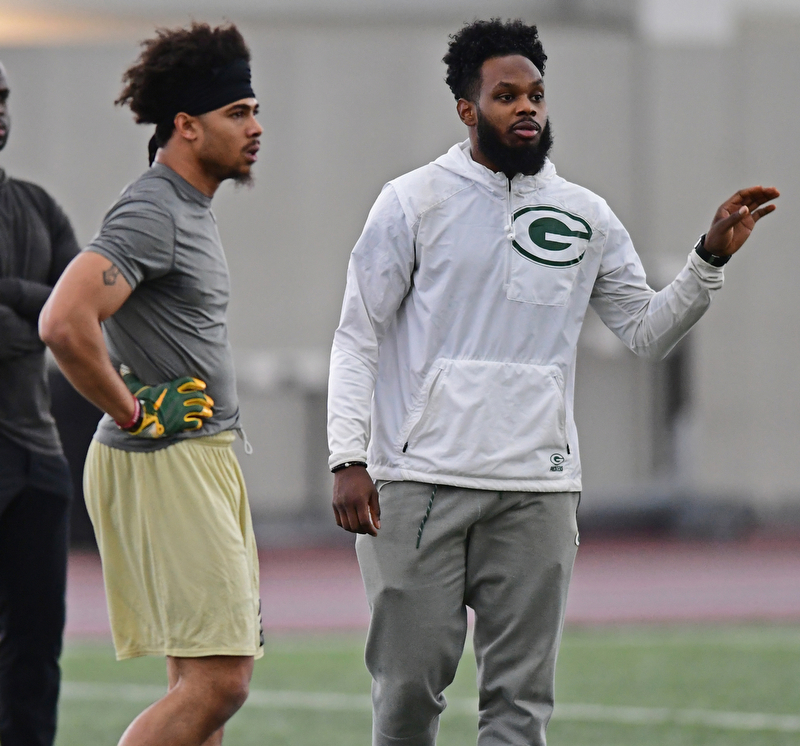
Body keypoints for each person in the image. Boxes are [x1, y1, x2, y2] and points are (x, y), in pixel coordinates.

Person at [327, 18, 779, 746]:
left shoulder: (585, 215)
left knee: (520, 705)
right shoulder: (412, 202)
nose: (527, 108)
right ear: (467, 109)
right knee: (408, 692)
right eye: (506, 95)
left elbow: (645, 330)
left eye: (536, 93)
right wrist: (348, 457)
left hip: (537, 488)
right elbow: (357, 336)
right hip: (416, 481)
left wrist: (707, 261)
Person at [39, 23, 264, 746]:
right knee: (219, 682)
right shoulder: (153, 209)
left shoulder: (188, 208)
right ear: (187, 127)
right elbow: (64, 323)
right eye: (239, 113)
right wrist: (136, 413)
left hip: (199, 456)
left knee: (199, 683)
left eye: (255, 110)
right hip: (167, 460)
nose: (256, 127)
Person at [0, 60, 80, 746]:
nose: (0, 110)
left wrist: (16, 296)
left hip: (39, 457)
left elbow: (79, 314)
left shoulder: (37, 205)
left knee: (37, 647)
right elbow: (49, 314)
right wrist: (37, 304)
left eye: (2, 97)